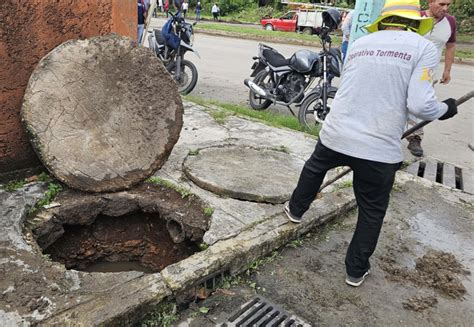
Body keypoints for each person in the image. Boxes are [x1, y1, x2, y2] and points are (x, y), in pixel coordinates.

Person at [284, 0, 457, 288]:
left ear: (385, 20)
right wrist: (445, 109)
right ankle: (355, 270)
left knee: (315, 168)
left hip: (336, 133)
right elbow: (419, 106)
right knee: (372, 209)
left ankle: (295, 210)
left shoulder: (362, 43)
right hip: (377, 148)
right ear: (415, 22)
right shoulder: (423, 48)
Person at [406, 0, 457, 157]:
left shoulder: (450, 21)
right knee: (397, 102)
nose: (445, 8)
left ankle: (415, 137)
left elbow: (450, 46)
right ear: (430, 2)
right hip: (406, 69)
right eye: (441, 4)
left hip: (427, 74)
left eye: (448, 4)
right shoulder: (415, 17)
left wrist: (447, 70)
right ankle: (388, 134)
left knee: (420, 104)